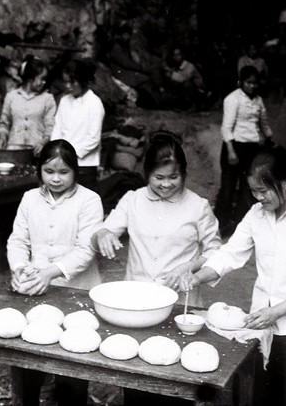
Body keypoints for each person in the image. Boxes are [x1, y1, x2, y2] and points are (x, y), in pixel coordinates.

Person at [183, 145, 286, 406]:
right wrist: (197, 277)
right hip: (260, 322)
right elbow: (231, 252)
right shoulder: (257, 214)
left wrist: (275, 312)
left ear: (285, 182)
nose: (258, 198)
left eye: (263, 191)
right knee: (260, 396)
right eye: (253, 191)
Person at [6, 139, 103, 406]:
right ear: (40, 171)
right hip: (36, 288)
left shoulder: (89, 200)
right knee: (30, 357)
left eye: (64, 172)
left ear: (76, 171)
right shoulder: (29, 199)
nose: (56, 179)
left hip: (77, 291)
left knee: (71, 361)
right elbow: (17, 241)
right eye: (49, 172)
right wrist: (19, 268)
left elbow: (86, 249)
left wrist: (51, 273)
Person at [91, 130, 221, 308]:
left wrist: (190, 266)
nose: (166, 184)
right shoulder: (133, 199)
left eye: (173, 177)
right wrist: (103, 234)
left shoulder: (198, 206)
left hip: (180, 300)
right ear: (146, 173)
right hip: (136, 296)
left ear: (184, 173)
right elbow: (103, 232)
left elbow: (215, 252)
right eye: (159, 178)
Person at [214, 65, 274, 236]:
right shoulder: (232, 99)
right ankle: (220, 225)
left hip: (252, 149)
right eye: (249, 83)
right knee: (228, 187)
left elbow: (263, 124)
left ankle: (240, 226)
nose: (252, 86)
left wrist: (270, 138)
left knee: (247, 187)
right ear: (241, 82)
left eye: (255, 83)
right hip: (234, 147)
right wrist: (231, 152)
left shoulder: (258, 101)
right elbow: (226, 128)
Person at [51, 59, 105, 192]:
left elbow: (93, 139)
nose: (68, 86)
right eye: (66, 82)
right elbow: (57, 128)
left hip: (84, 166)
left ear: (83, 80)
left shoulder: (94, 104)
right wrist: (56, 151)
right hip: (62, 161)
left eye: (72, 81)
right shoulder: (64, 101)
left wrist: (70, 154)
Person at [0, 55, 56, 156]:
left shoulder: (48, 99)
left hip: (37, 152)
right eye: (41, 78)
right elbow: (3, 123)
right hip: (14, 151)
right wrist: (2, 138)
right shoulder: (11, 96)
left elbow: (51, 127)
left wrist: (43, 143)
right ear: (31, 77)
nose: (44, 82)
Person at [161, 46, 206, 111]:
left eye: (178, 55)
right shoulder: (176, 67)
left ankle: (196, 104)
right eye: (174, 55)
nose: (176, 57)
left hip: (198, 92)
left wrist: (170, 72)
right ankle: (182, 104)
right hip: (187, 92)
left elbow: (183, 78)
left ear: (182, 55)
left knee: (186, 84)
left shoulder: (189, 66)